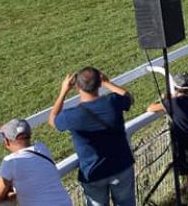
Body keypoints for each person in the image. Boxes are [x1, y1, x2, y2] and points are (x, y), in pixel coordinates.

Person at [48, 67, 135, 206]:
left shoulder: (72, 115)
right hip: (121, 166)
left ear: (77, 87)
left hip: (93, 173)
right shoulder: (113, 102)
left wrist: (63, 91)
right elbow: (128, 97)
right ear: (99, 83)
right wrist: (107, 83)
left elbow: (52, 120)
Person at [145, 72, 188, 205]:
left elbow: (150, 108)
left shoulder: (173, 103)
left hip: (185, 141)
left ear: (174, 87)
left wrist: (164, 97)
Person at [0, 118, 72, 206]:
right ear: (29, 135)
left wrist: (9, 194)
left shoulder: (10, 162)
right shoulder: (42, 148)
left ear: (7, 141)